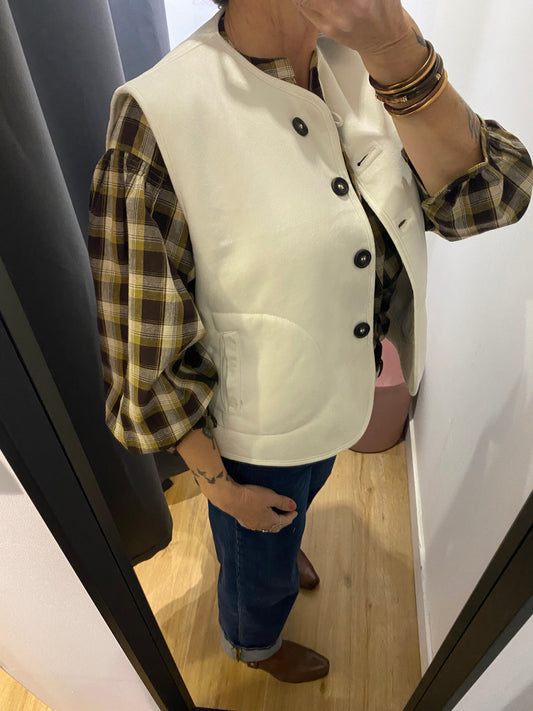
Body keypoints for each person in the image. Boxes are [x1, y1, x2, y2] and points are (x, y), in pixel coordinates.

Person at [88, 0, 533, 683]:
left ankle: (279, 537)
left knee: (298, 499)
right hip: (251, 437)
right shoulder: (161, 116)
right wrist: (218, 485)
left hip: (337, 395)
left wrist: (398, 51)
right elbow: (139, 352)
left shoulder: (366, 65)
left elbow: (491, 195)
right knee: (255, 560)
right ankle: (253, 643)